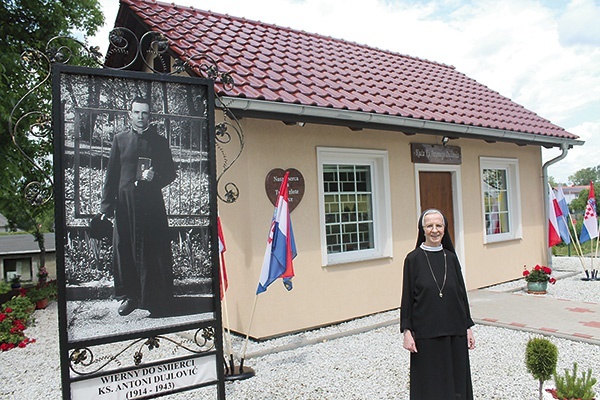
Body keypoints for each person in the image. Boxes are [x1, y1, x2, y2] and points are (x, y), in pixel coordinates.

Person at [100, 97, 177, 317]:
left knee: (152, 250)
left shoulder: (160, 142)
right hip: (125, 204)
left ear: (150, 117)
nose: (140, 117)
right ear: (130, 114)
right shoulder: (120, 140)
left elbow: (170, 173)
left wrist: (156, 177)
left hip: (151, 203)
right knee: (125, 248)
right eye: (136, 112)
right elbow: (111, 175)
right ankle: (130, 297)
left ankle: (154, 298)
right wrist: (106, 207)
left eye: (145, 113)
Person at [400, 209, 476, 399]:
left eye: (439, 225)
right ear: (422, 229)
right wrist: (407, 331)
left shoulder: (450, 257)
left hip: (454, 330)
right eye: (429, 226)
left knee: (456, 382)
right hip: (426, 333)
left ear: (445, 228)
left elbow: (460, 294)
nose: (434, 230)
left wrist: (467, 327)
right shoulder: (413, 259)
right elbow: (407, 297)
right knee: (430, 383)